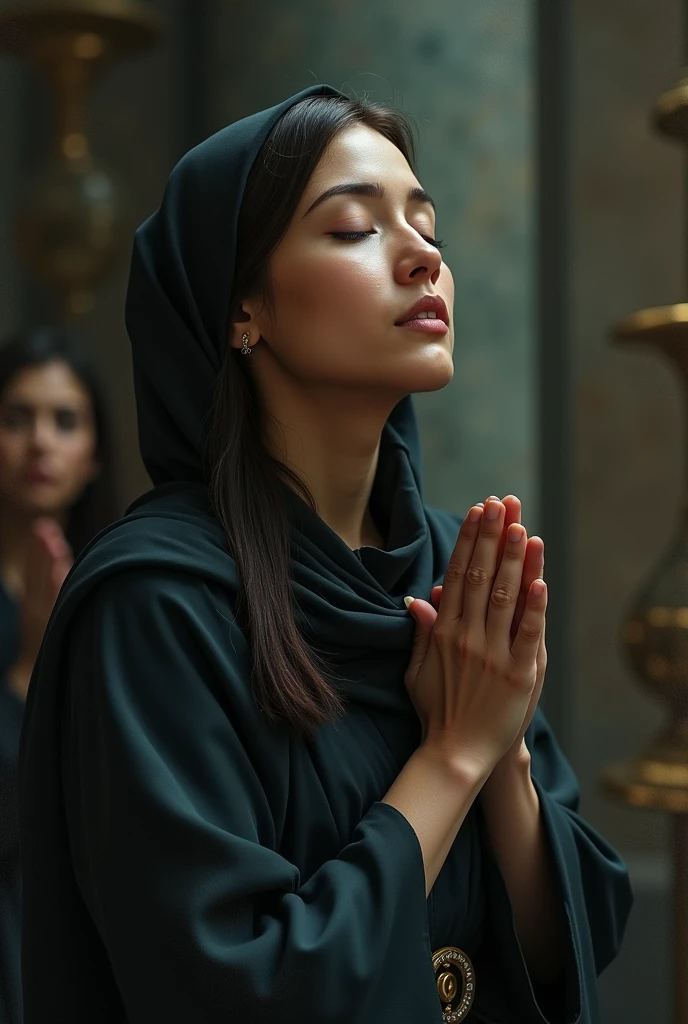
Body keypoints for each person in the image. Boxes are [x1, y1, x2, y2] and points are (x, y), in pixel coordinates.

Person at [18, 85, 633, 1023]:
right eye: (354, 228)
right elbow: (237, 989)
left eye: (426, 224)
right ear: (240, 309)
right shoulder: (156, 604)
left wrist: (504, 751)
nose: (423, 255)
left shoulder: (453, 570)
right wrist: (454, 757)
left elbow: (569, 944)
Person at [0, 327, 119, 1024]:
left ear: (95, 454)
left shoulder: (122, 593)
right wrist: (25, 669)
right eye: (17, 417)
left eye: (64, 421)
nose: (41, 441)